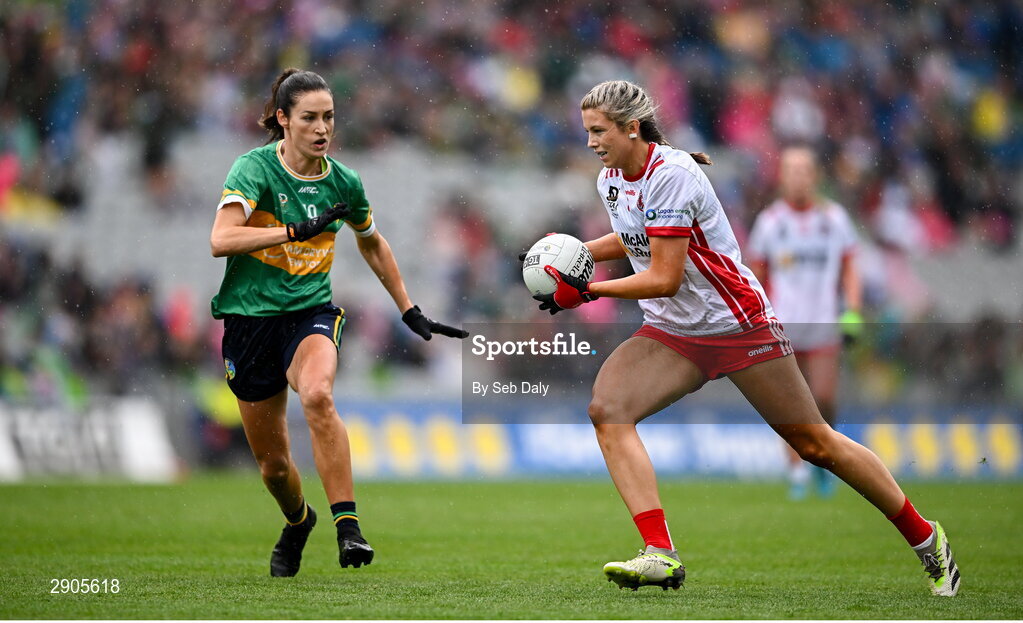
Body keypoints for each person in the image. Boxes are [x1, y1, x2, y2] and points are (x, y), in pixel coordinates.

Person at [529, 80, 959, 596]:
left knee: (815, 443)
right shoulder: (611, 180)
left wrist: (587, 288)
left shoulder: (675, 176)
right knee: (608, 410)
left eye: (599, 132)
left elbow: (665, 275)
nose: (592, 142)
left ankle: (925, 537)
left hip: (736, 325)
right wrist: (572, 255)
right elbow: (635, 236)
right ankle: (660, 553)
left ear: (631, 128)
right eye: (587, 132)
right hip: (674, 331)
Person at [209, 68, 468, 577]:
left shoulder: (344, 181)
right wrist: (289, 231)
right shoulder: (253, 169)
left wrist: (407, 307)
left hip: (310, 313)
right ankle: (298, 520)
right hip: (249, 322)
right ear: (283, 120)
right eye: (309, 118)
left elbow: (371, 241)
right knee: (276, 468)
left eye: (328, 117)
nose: (322, 128)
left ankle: (348, 528)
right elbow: (221, 239)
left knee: (320, 395)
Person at [746, 145, 863, 500]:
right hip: (784, 326)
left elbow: (849, 267)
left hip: (824, 321)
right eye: (790, 170)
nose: (797, 177)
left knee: (824, 399)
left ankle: (825, 462)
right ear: (782, 177)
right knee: (790, 404)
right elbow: (756, 275)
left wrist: (853, 310)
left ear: (815, 176)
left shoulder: (835, 219)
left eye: (804, 170)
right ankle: (796, 471)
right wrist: (755, 318)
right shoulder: (770, 222)